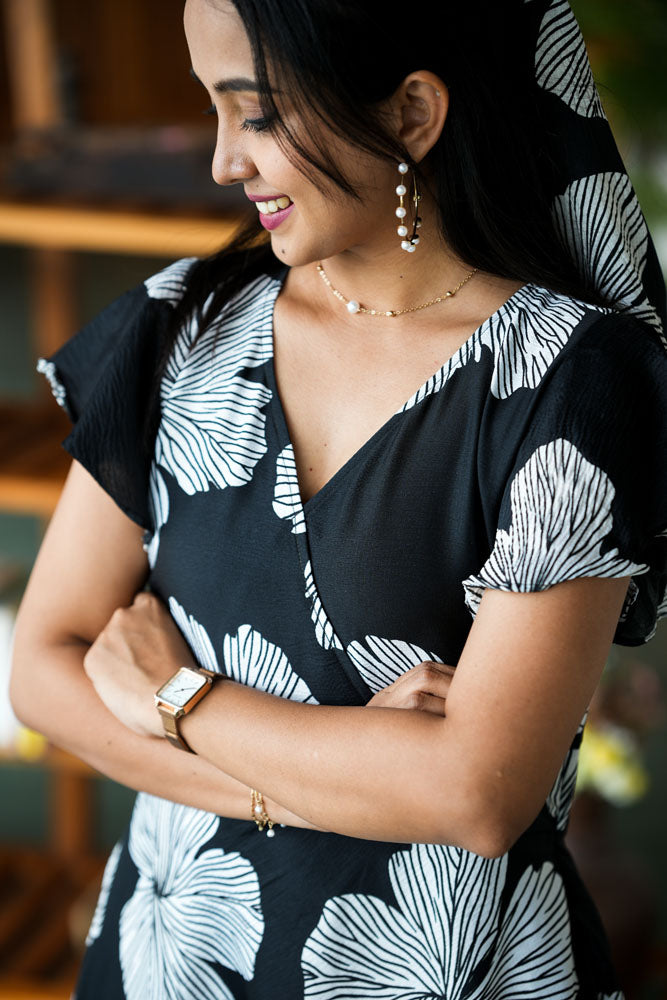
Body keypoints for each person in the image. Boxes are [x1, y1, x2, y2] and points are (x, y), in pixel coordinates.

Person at [9, 0, 667, 996]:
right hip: (172, 959)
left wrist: (174, 696)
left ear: (410, 113)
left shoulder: (569, 380)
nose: (224, 161)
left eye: (256, 113)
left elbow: (476, 792)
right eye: (213, 112)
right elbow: (46, 670)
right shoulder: (175, 331)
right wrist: (353, 775)